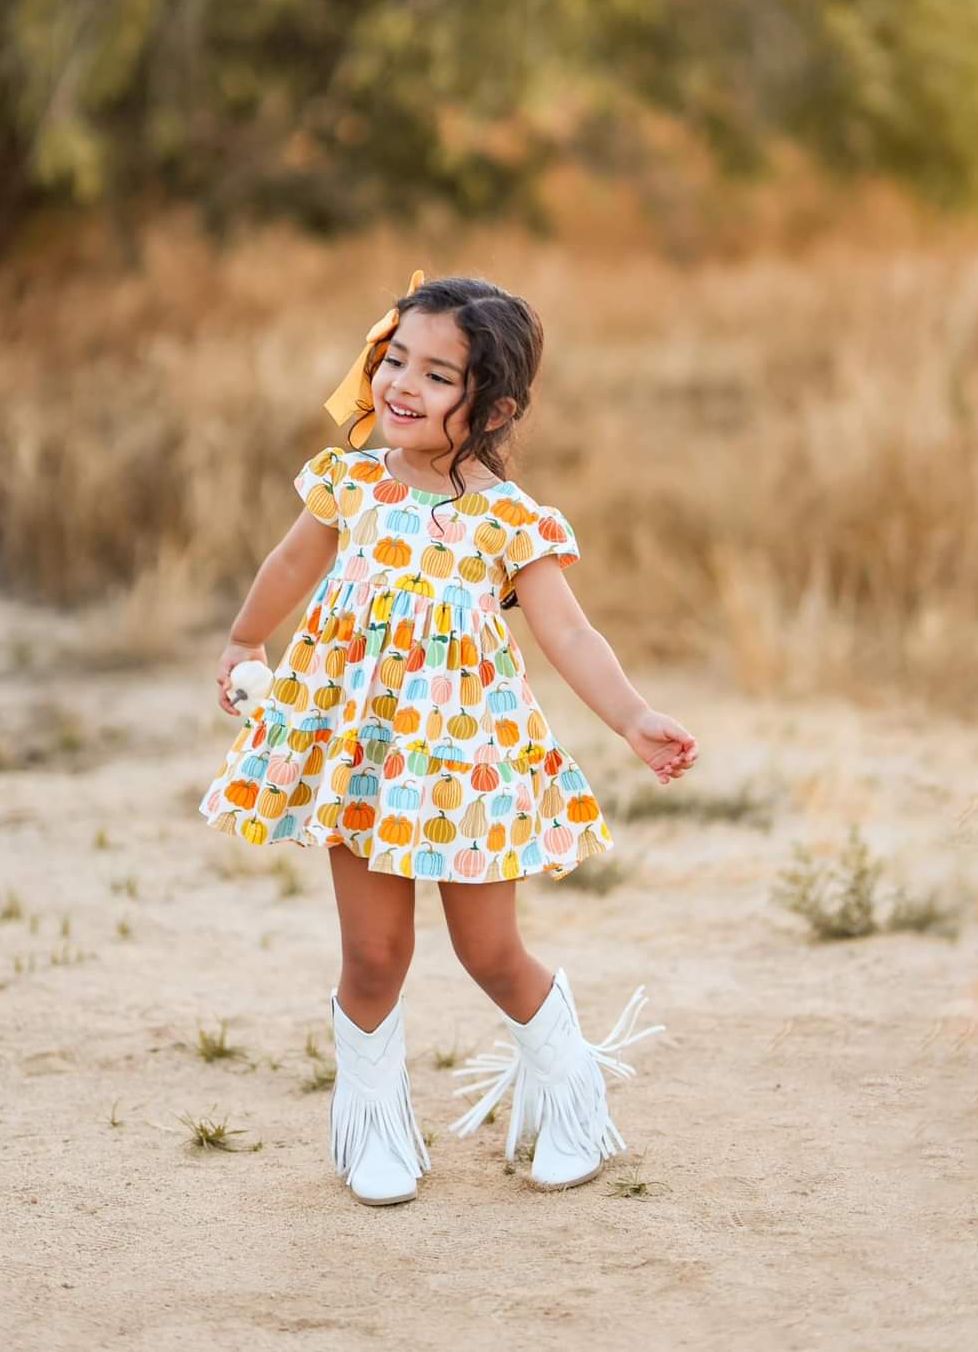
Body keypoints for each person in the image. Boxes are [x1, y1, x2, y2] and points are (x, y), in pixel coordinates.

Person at [198, 269, 699, 1206]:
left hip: (470, 763)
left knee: (491, 954)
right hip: (367, 755)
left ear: (493, 404)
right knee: (374, 957)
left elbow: (570, 633)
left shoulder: (508, 517)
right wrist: (243, 637)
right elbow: (288, 563)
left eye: (437, 376)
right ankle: (374, 1119)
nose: (401, 386)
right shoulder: (348, 485)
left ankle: (568, 1088)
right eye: (394, 361)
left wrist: (633, 717)